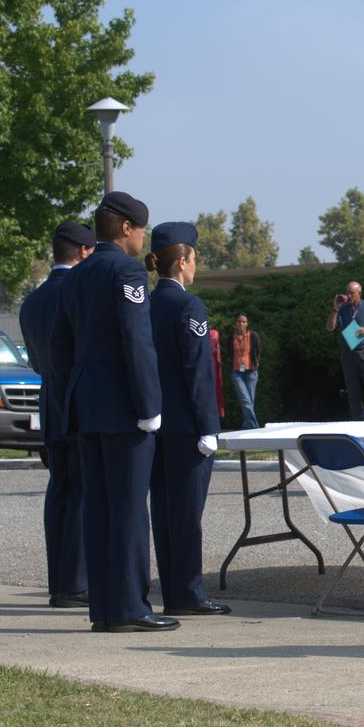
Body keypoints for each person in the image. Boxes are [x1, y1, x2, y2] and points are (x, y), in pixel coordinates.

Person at [48, 191, 176, 632]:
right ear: (126, 228)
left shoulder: (76, 276)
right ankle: (130, 608)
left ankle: (103, 609)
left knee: (98, 509)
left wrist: (70, 401)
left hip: (87, 407)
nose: (142, 238)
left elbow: (59, 350)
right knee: (128, 511)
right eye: (140, 229)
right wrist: (149, 405)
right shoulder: (126, 271)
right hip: (124, 408)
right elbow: (136, 342)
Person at [145, 222, 229, 617]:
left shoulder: (144, 304)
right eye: (194, 258)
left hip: (156, 425)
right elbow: (198, 372)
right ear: (181, 262)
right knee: (187, 514)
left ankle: (173, 588)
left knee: (163, 513)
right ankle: (188, 593)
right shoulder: (188, 306)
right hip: (186, 428)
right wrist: (209, 427)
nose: (196, 265)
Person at [19, 220, 94, 609]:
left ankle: (61, 581)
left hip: (50, 402)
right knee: (82, 493)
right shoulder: (80, 292)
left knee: (60, 492)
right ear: (83, 251)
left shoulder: (32, 301)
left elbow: (36, 362)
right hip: (81, 404)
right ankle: (77, 583)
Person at [327, 281, 364, 418]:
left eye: (352, 293)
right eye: (347, 292)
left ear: (359, 293)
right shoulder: (342, 309)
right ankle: (357, 419)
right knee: (353, 390)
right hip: (347, 353)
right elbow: (330, 328)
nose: (348, 296)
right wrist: (335, 309)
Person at [228, 313, 261, 429]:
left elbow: (258, 350)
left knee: (249, 401)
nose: (241, 324)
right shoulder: (231, 337)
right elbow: (229, 352)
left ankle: (246, 426)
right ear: (236, 323)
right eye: (239, 321)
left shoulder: (253, 336)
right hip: (237, 372)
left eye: (244, 321)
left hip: (251, 372)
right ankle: (254, 427)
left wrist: (257, 363)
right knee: (245, 400)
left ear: (247, 323)